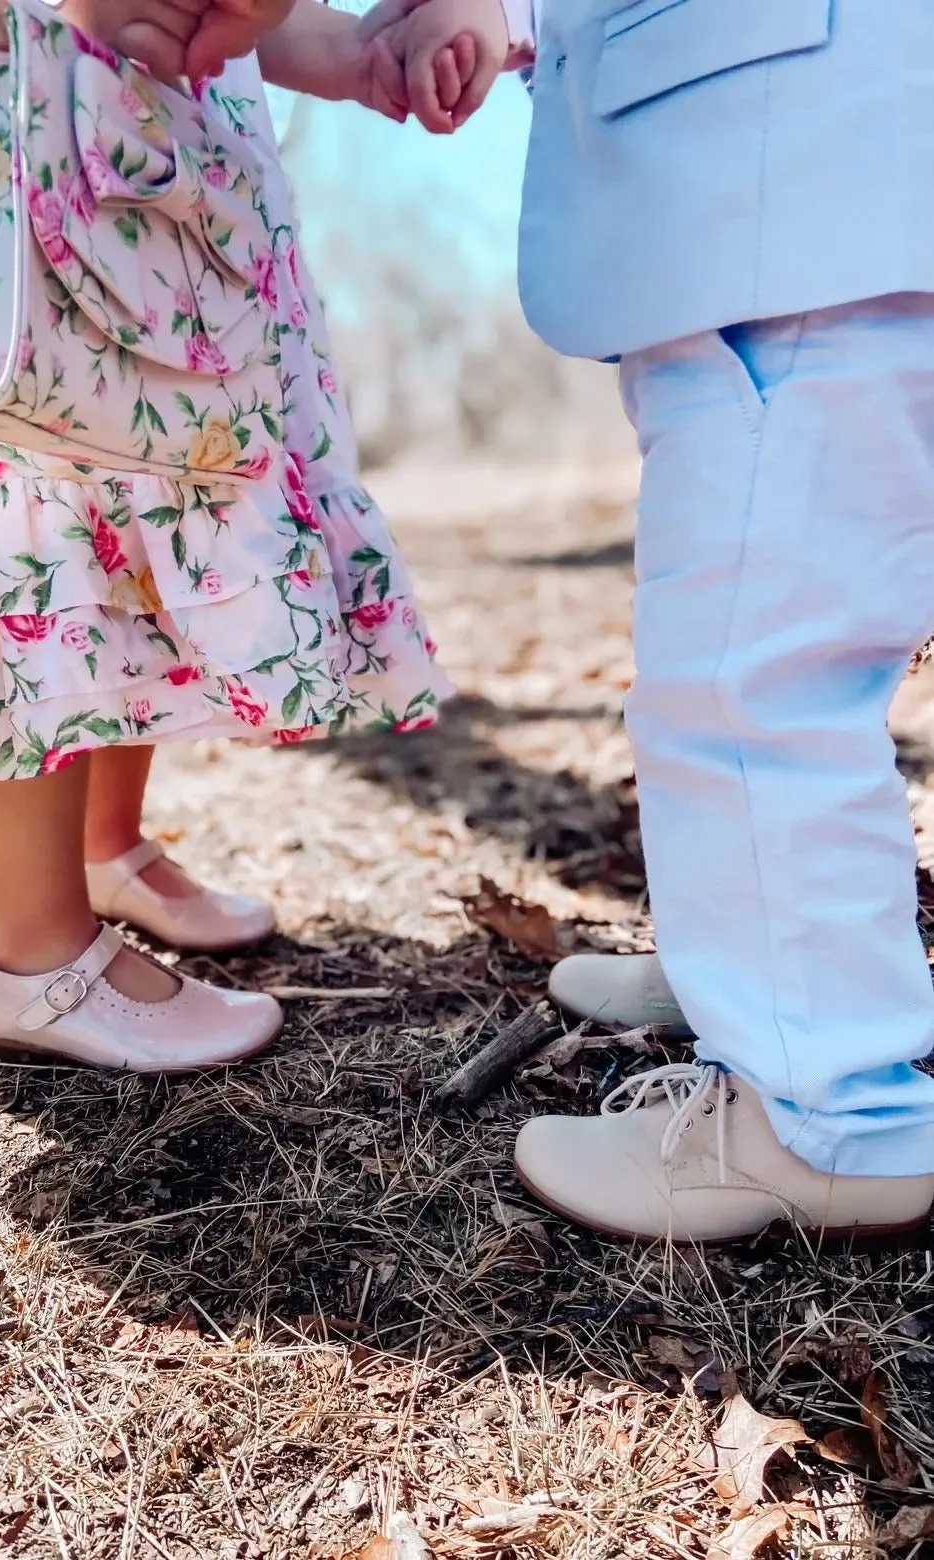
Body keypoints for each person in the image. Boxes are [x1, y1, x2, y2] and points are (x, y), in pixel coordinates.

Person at [0, 0, 448, 1071]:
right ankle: (31, 953)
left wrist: (362, 54)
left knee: (150, 441)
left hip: (134, 75)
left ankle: (103, 848)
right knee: (23, 442)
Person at [364, 0, 934, 1242]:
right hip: (814, 204)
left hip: (794, 207)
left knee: (750, 682)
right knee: (770, 646)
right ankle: (760, 968)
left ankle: (822, 1111)